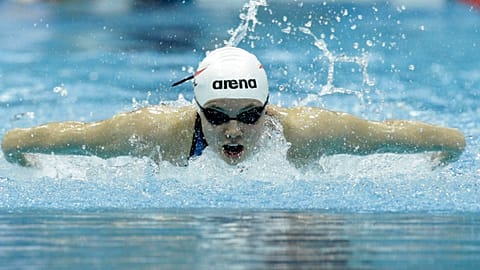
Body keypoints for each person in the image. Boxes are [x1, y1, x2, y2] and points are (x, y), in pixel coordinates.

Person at [1, 47, 466, 168]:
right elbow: (31, 140)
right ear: (197, 111)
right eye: (217, 116)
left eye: (248, 115)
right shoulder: (155, 133)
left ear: (267, 107)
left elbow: (451, 140)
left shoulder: (308, 132)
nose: (232, 130)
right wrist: (26, 161)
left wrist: (434, 162)